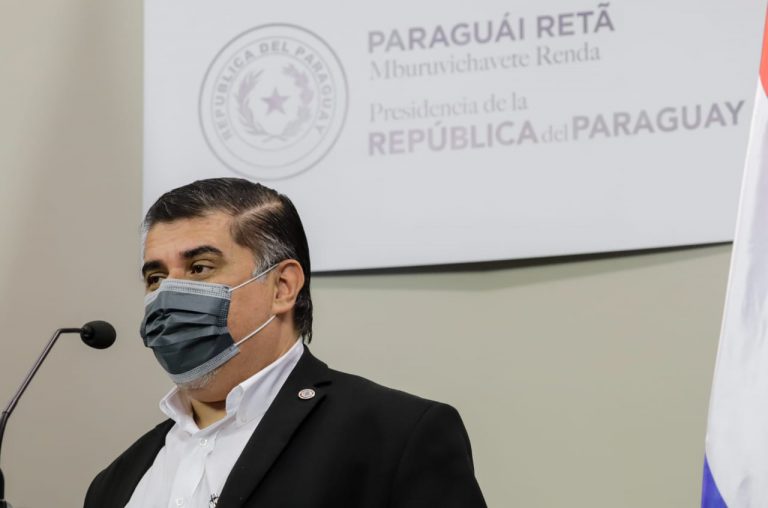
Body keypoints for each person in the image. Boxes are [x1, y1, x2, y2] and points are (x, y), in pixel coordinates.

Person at [84, 178, 486, 508]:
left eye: (200, 268)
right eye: (155, 278)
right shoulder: (115, 481)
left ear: (283, 287)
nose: (168, 294)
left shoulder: (396, 437)